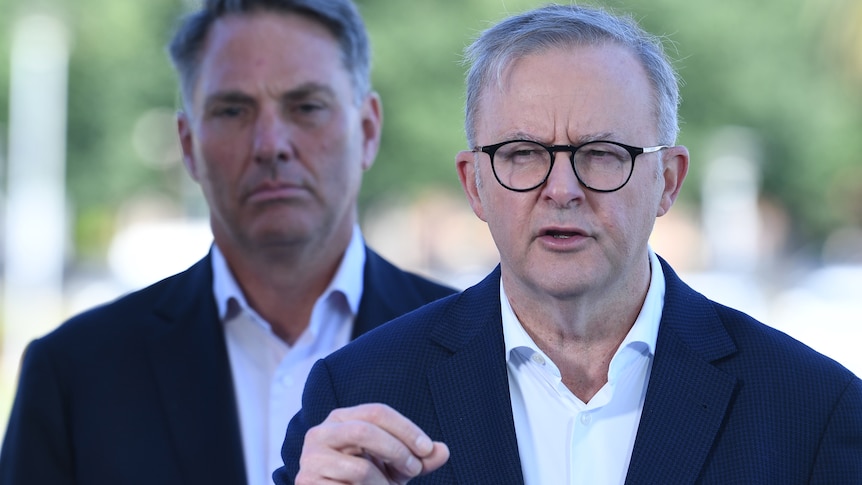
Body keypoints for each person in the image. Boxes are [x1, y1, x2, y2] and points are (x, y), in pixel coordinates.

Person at [274, 4, 862, 484]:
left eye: (602, 154)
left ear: (669, 180)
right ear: (474, 185)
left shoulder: (813, 410)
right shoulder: (357, 395)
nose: (562, 189)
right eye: (523, 153)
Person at [0, 1, 456, 484]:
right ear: (188, 145)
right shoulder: (74, 373)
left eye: (306, 107)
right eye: (233, 110)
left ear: (367, 130)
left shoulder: (481, 350)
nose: (270, 143)